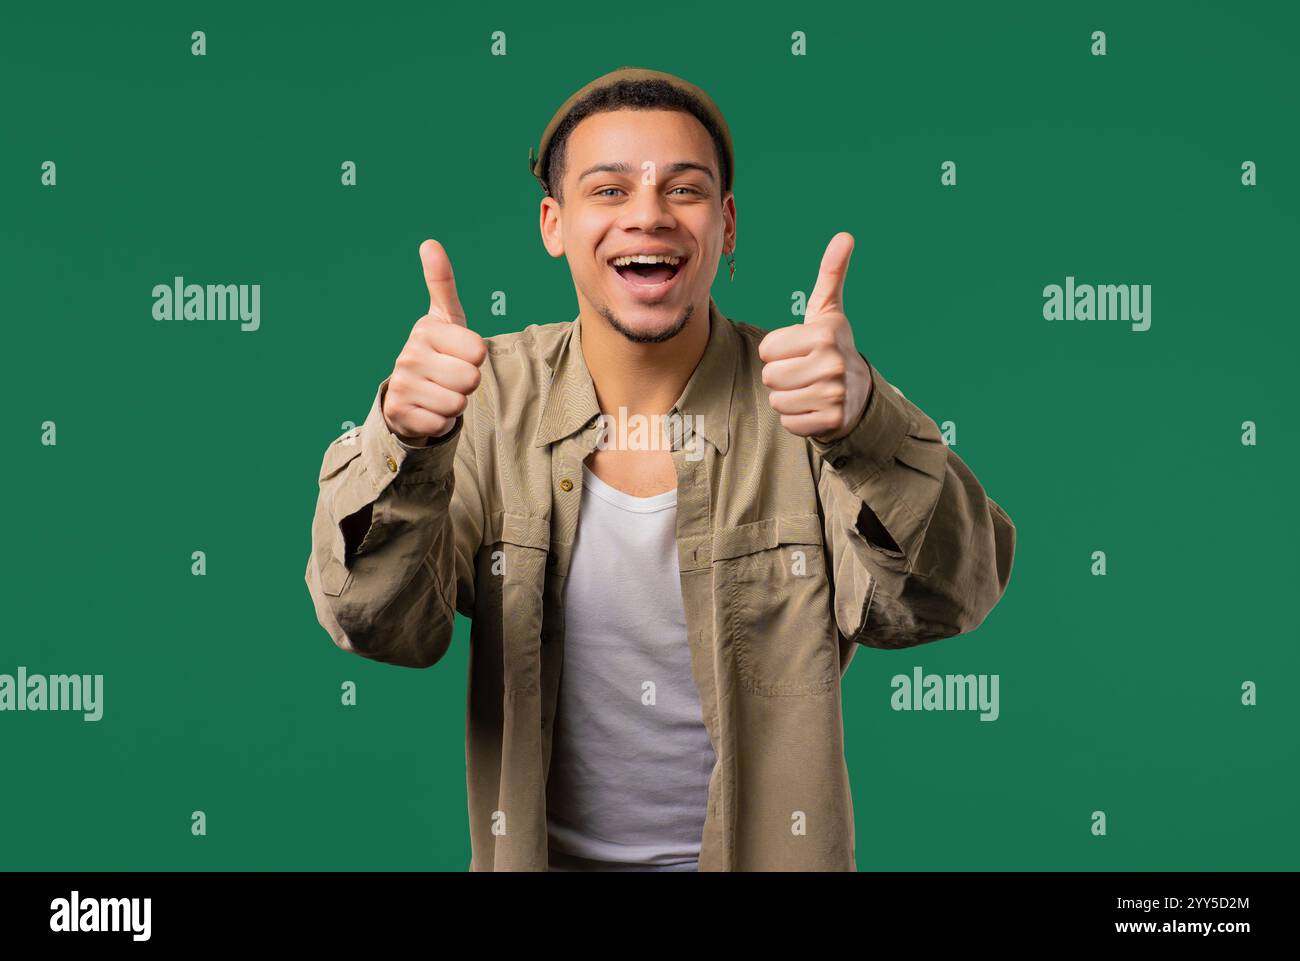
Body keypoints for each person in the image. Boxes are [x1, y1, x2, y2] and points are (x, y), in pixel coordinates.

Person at [305, 66, 1017, 871]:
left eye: (684, 190)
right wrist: (404, 441)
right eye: (608, 191)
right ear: (554, 222)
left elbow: (943, 599)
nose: (648, 215)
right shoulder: (485, 397)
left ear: (728, 223)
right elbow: (379, 623)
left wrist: (867, 428)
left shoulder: (813, 394)